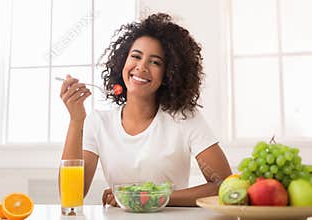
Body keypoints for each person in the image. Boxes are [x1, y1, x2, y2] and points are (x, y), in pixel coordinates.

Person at [59, 13, 232, 207]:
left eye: (155, 62)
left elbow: (223, 185)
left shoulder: (183, 118)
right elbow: (71, 195)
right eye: (136, 56)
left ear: (168, 74)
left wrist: (150, 197)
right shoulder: (99, 122)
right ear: (123, 61)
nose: (141, 67)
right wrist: (76, 120)